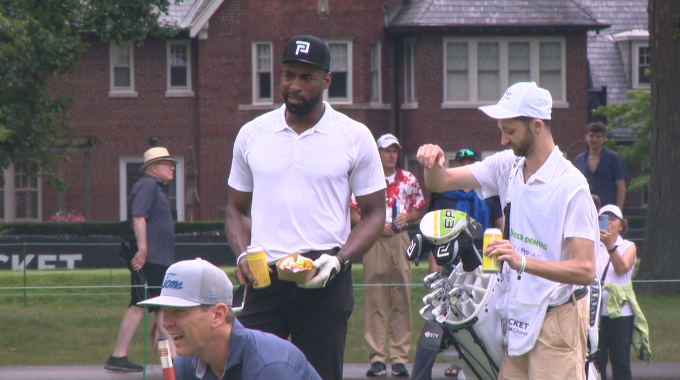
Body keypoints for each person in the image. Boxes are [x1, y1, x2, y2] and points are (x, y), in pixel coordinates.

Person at [225, 34, 386, 380]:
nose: (294, 85)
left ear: (327, 80)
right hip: (262, 277)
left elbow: (374, 213)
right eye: (288, 75)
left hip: (324, 275)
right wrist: (241, 255)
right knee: (245, 373)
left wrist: (341, 259)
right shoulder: (252, 133)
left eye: (306, 77)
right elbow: (236, 208)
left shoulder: (354, 136)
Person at [416, 81, 598, 380]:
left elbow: (585, 269)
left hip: (557, 320)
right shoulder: (508, 165)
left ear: (537, 126)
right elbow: (441, 181)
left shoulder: (572, 186)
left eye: (510, 131)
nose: (502, 140)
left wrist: (521, 261)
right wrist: (433, 161)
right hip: (516, 317)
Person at [138, 258, 322, 380]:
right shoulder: (185, 365)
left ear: (218, 315)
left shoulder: (270, 367)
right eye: (165, 311)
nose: (165, 323)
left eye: (179, 312)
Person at [410, 147, 504, 380]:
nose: (466, 164)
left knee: (477, 321)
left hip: (484, 262)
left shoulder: (487, 193)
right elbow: (434, 234)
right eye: (462, 161)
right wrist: (434, 265)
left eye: (470, 161)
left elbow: (503, 227)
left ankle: (465, 362)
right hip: (450, 262)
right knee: (439, 320)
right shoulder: (446, 196)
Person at [349, 133, 425, 377]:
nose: (391, 155)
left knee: (402, 293)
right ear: (378, 153)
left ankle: (400, 357)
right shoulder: (368, 179)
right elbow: (352, 211)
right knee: (375, 296)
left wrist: (408, 217)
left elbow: (419, 208)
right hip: (375, 242)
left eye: (394, 150)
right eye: (386, 151)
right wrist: (372, 225)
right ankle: (378, 358)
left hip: (401, 240)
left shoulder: (409, 179)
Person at [105, 147, 177, 372]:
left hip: (158, 259)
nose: (172, 167)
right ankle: (119, 356)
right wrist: (143, 250)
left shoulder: (154, 188)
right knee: (141, 304)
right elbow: (138, 216)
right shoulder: (147, 185)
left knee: (160, 311)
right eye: (167, 163)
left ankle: (171, 364)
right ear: (154, 168)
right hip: (151, 259)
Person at [594, 205, 639, 380]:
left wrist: (610, 246)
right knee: (596, 362)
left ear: (621, 225)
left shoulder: (628, 246)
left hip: (621, 313)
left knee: (620, 361)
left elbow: (621, 269)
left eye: (613, 219)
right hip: (596, 313)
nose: (609, 223)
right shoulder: (592, 246)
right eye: (603, 219)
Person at [573, 122, 628, 210]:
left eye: (598, 136)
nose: (594, 139)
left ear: (604, 139)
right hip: (585, 208)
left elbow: (621, 186)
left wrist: (618, 210)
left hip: (607, 209)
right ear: (586, 137)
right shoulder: (579, 160)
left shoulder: (614, 158)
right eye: (591, 136)